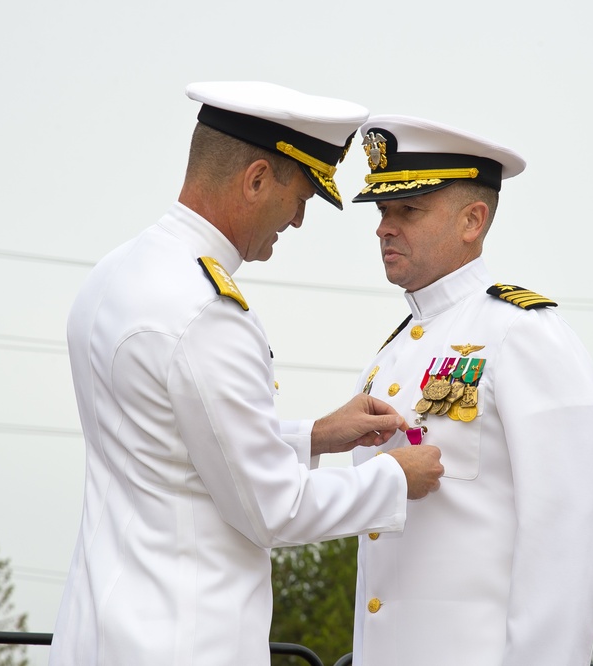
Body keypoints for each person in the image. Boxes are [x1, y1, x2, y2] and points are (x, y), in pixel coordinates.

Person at [48, 85, 444, 666]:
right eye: (301, 195)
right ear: (257, 178)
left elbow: (170, 443)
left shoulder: (121, 272)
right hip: (185, 640)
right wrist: (392, 477)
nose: (300, 220)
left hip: (101, 628)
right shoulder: (208, 312)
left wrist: (312, 436)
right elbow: (272, 509)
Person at [348, 114, 593, 665]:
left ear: (473, 219)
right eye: (381, 211)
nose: (383, 228)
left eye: (407, 210)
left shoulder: (522, 333)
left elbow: (571, 534)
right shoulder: (389, 357)